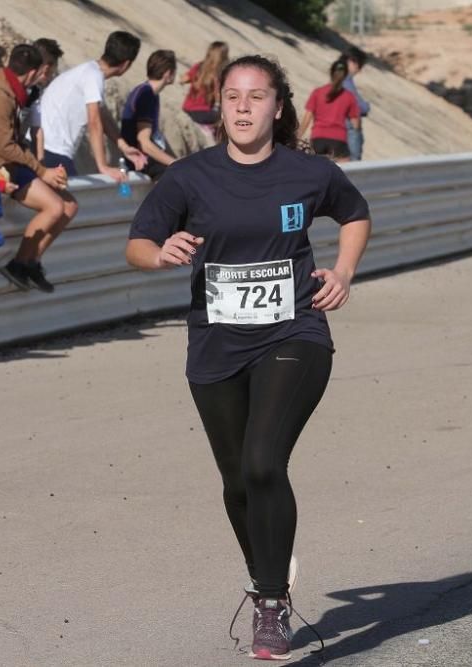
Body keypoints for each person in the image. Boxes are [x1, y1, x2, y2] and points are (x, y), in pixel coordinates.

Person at [125, 54, 371, 661]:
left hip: (294, 332)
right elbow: (137, 243)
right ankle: (269, 567)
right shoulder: (187, 178)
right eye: (233, 96)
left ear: (278, 107)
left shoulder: (308, 173)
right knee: (237, 481)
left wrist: (342, 271)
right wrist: (160, 254)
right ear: (220, 108)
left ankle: (270, 603)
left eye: (256, 96)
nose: (242, 107)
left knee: (264, 463)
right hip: (215, 342)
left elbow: (356, 213)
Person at [0, 44, 74, 293]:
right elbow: (3, 145)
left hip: (13, 161)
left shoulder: (13, 91)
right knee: (54, 207)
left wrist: (42, 169)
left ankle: (32, 261)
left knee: (69, 205)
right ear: (32, 72)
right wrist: (41, 170)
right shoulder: (1, 95)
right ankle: (18, 264)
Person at [38, 31, 146, 178]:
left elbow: (102, 115)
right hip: (51, 151)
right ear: (126, 64)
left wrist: (124, 147)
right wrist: (103, 167)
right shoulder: (94, 77)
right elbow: (94, 122)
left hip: (41, 146)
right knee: (70, 201)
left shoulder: (88, 70)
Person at [120, 49, 178, 181]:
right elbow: (144, 143)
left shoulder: (148, 93)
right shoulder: (146, 95)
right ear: (168, 73)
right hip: (137, 159)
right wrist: (174, 163)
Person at [297, 58, 361, 163]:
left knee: (315, 172)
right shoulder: (349, 96)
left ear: (331, 73)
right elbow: (355, 124)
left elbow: (307, 118)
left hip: (318, 139)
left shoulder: (317, 92)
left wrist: (298, 136)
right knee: (345, 173)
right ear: (345, 76)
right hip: (338, 140)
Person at [25, 37, 64, 160]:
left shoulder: (35, 91)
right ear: (47, 68)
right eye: (53, 67)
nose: (53, 72)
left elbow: (36, 128)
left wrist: (40, 165)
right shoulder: (17, 87)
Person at [181, 41, 229, 138]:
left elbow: (183, 79)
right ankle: (211, 133)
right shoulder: (218, 75)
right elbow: (218, 98)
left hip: (186, 108)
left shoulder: (198, 66)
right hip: (202, 113)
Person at [340, 46, 371, 161]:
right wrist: (366, 106)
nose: (359, 69)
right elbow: (359, 106)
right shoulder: (346, 82)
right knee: (352, 165)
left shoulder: (338, 79)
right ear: (352, 62)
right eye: (359, 65)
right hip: (349, 129)